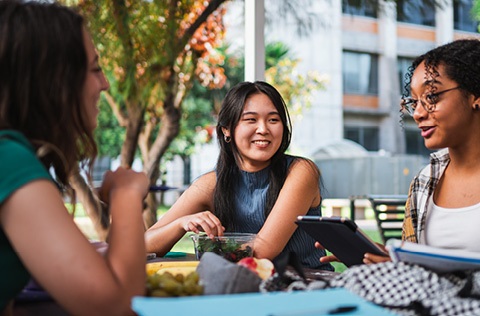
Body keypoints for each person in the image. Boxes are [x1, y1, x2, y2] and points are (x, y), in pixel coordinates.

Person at [0, 1, 149, 315]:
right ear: (53, 80)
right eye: (95, 68)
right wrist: (125, 196)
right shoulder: (8, 158)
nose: (105, 83)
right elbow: (116, 307)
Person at [319, 38, 480, 265]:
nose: (417, 114)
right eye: (414, 102)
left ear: (475, 96)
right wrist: (388, 258)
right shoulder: (425, 182)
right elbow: (420, 266)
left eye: (431, 96)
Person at [145, 81, 333, 270]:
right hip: (242, 288)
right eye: (251, 120)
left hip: (307, 288)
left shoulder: (301, 171)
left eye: (273, 120)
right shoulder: (211, 184)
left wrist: (212, 246)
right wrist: (180, 224)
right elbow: (144, 245)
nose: (263, 129)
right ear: (226, 128)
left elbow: (262, 252)